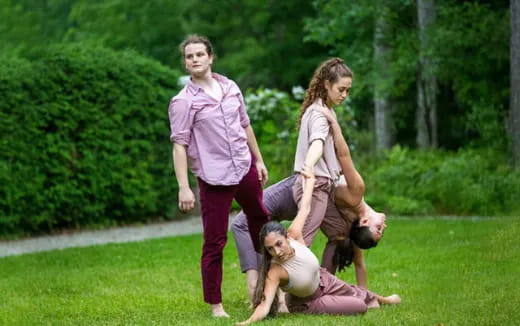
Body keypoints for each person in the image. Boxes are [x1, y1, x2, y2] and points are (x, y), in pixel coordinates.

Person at [168, 34, 269, 318]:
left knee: (262, 224)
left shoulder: (231, 87)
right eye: (189, 56)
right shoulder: (183, 102)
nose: (195, 59)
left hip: (244, 166)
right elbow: (179, 144)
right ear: (185, 63)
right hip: (213, 177)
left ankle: (272, 287)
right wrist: (183, 187)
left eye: (200, 54)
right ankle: (216, 306)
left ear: (211, 57)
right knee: (214, 241)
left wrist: (258, 160)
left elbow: (245, 125)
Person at [236, 173, 400, 325]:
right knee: (359, 306)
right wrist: (246, 322)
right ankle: (346, 301)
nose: (277, 252)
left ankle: (383, 300)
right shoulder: (275, 271)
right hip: (308, 301)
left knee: (353, 290)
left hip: (323, 279)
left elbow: (306, 208)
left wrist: (310, 182)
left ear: (286, 237)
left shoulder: (295, 235)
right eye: (270, 249)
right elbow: (264, 305)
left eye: (278, 244)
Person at [291, 57, 352, 252]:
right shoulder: (319, 114)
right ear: (327, 84)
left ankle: (324, 281)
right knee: (300, 243)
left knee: (339, 232)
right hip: (314, 186)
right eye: (341, 89)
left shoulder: (326, 111)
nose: (344, 95)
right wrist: (308, 165)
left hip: (325, 187)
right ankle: (277, 281)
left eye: (348, 91)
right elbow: (317, 142)